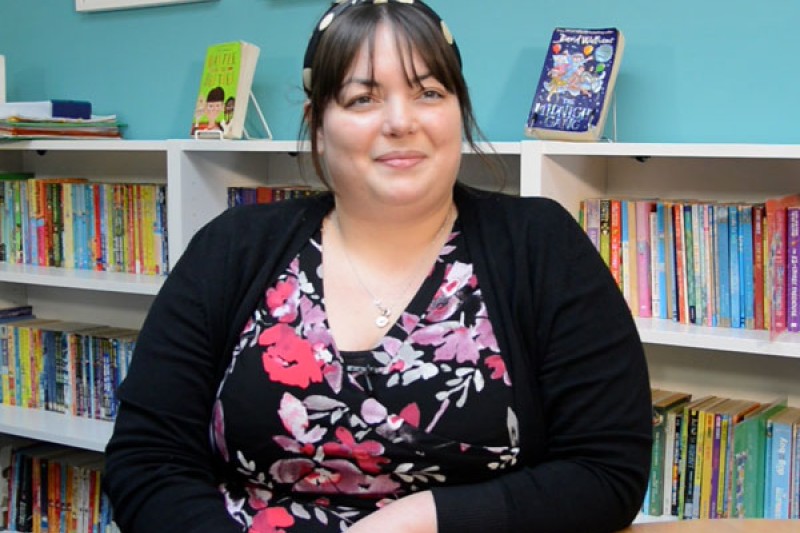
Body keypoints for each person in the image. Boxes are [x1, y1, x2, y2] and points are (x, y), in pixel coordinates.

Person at [103, 1, 653, 532]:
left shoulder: (542, 245)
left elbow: (606, 473)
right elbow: (146, 460)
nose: (400, 122)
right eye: (363, 99)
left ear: (458, 111)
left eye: (429, 93)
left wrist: (424, 521)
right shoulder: (233, 247)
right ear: (317, 122)